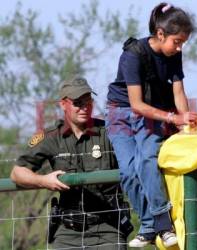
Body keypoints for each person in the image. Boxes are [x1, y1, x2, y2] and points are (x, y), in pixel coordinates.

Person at [105, 2, 197, 248]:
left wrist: (186, 120)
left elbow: (179, 92)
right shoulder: (133, 55)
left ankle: (161, 223)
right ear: (160, 34)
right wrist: (173, 119)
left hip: (154, 111)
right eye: (177, 41)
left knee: (147, 159)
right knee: (128, 170)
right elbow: (136, 104)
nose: (179, 47)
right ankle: (149, 224)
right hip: (124, 112)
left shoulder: (174, 55)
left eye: (182, 43)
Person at [10, 76, 132, 250]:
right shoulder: (51, 137)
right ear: (63, 104)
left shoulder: (110, 132)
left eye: (88, 101)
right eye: (77, 103)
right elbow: (17, 172)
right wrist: (44, 181)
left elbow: (135, 159)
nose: (84, 108)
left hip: (108, 227)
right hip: (68, 231)